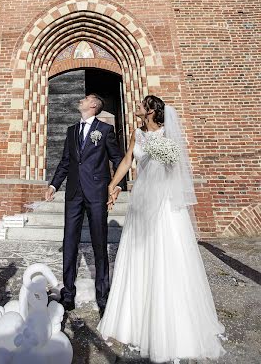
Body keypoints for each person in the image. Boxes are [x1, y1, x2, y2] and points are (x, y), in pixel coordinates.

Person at [97, 95, 226, 362]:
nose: (137, 107)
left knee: (165, 255)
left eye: (141, 105)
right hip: (141, 202)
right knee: (139, 255)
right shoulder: (137, 133)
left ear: (151, 111)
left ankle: (172, 328)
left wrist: (164, 156)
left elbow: (176, 169)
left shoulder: (168, 135)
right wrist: (113, 184)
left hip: (164, 203)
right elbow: (127, 161)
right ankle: (133, 321)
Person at [45, 93, 123, 316]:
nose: (81, 99)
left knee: (99, 243)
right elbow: (66, 161)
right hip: (73, 194)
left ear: (94, 105)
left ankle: (102, 296)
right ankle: (68, 294)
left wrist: (116, 186)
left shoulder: (105, 130)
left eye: (86, 98)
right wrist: (54, 185)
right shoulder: (72, 131)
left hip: (97, 193)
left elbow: (117, 159)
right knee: (69, 241)